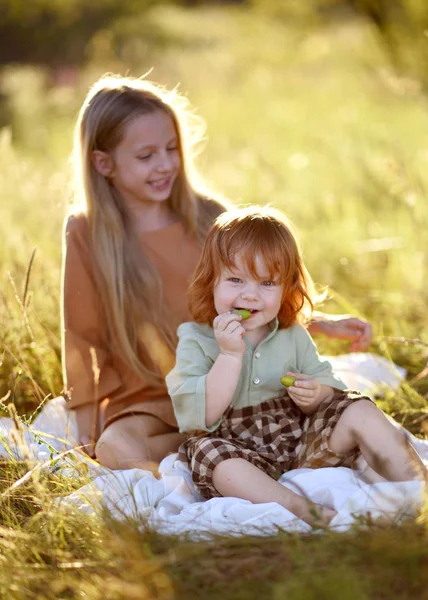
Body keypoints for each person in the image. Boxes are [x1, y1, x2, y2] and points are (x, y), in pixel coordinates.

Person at [62, 74, 373, 472]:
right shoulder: (87, 231)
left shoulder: (209, 215)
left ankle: (234, 446)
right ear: (104, 163)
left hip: (232, 382)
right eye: (146, 156)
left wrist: (325, 325)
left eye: (172, 149)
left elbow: (257, 298)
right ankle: (220, 448)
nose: (165, 165)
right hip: (150, 395)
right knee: (115, 449)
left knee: (310, 402)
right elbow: (82, 336)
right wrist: (85, 424)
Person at [166, 206, 426, 527]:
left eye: (267, 283)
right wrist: (230, 356)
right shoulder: (196, 338)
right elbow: (202, 417)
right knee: (208, 454)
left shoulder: (292, 333)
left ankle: (421, 489)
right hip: (238, 453)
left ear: (286, 288)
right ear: (211, 282)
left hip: (301, 444)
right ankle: (305, 510)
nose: (250, 295)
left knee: (358, 407)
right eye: (235, 279)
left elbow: (331, 397)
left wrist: (316, 393)